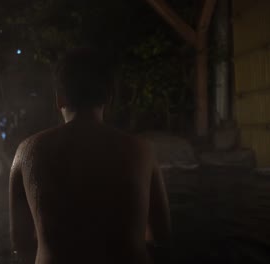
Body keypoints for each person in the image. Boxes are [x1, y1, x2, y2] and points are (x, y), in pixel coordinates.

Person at [9, 49, 171, 264]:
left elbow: (20, 244)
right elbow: (161, 239)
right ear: (108, 98)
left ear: (59, 99)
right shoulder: (142, 151)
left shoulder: (26, 151)